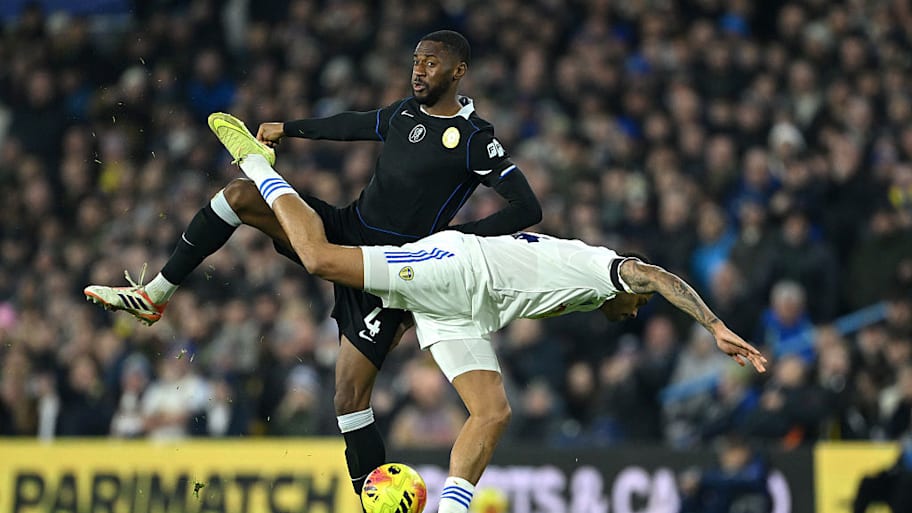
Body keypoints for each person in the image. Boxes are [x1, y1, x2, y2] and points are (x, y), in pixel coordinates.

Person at [203, 121, 767, 513]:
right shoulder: (604, 269)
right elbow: (655, 276)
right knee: (323, 259)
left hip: (467, 312)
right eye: (635, 303)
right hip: (456, 268)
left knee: (493, 413)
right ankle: (257, 165)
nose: (634, 308)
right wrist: (715, 326)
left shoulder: (597, 301)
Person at [84, 30, 542, 495]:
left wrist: (455, 240)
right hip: (346, 228)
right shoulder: (404, 113)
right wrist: (290, 128)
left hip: (391, 271)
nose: (419, 71)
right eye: (416, 61)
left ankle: (374, 499)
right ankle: (154, 295)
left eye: (431, 63)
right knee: (240, 196)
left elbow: (527, 209)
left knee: (348, 397)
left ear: (458, 71)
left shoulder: (473, 139)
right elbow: (353, 124)